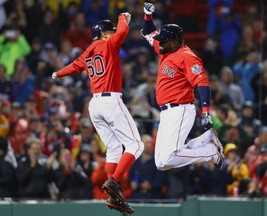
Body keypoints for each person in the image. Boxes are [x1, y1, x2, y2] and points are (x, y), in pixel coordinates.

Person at [51, 12, 144, 214]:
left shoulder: (88, 52)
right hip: (111, 100)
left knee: (113, 148)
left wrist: (58, 73)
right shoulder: (108, 45)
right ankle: (114, 182)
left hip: (94, 104)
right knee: (136, 144)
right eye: (109, 32)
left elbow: (74, 67)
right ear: (103, 34)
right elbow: (123, 32)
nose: (112, 34)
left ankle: (113, 195)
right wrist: (123, 17)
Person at [141, 3, 224, 172]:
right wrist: (147, 16)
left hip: (181, 109)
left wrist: (206, 112)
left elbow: (202, 83)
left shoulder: (188, 57)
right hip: (167, 111)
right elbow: (149, 32)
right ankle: (206, 139)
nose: (160, 42)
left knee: (169, 157)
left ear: (175, 41)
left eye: (164, 40)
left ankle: (211, 153)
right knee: (161, 163)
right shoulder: (166, 49)